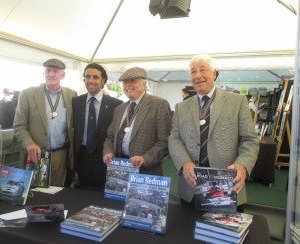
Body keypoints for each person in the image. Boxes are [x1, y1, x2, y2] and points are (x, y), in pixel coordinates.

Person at [168, 54, 259, 209]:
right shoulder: (181, 107)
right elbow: (174, 138)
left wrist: (242, 164)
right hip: (191, 187)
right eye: (193, 72)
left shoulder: (237, 101)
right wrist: (184, 162)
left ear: (214, 73)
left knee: (224, 232)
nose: (198, 76)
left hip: (227, 188)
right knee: (186, 231)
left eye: (203, 70)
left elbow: (250, 140)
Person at [13, 58, 78, 186]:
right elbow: (19, 125)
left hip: (60, 155)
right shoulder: (28, 94)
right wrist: (29, 143)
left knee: (56, 192)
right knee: (34, 193)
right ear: (43, 73)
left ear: (63, 75)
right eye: (48, 70)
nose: (51, 74)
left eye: (55, 71)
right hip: (35, 154)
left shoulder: (72, 95)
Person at [103, 67, 172, 176]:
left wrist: (146, 158)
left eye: (133, 81)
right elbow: (110, 137)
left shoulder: (159, 104)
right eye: (125, 82)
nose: (128, 85)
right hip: (120, 170)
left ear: (144, 84)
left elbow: (165, 141)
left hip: (146, 172)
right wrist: (108, 151)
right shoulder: (119, 109)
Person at [72, 63, 122, 191]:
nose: (91, 80)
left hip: (105, 157)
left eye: (95, 77)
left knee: (104, 193)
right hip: (82, 156)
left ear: (103, 80)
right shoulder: (76, 102)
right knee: (83, 193)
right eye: (88, 77)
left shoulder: (116, 105)